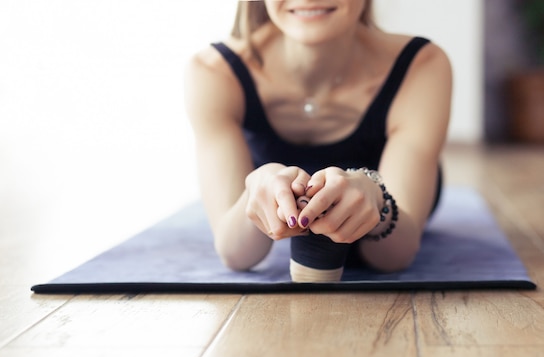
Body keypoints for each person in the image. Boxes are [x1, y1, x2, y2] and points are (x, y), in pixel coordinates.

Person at [184, 0, 452, 282]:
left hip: (388, 206)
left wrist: (376, 198)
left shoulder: (421, 64)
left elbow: (395, 256)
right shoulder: (212, 71)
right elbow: (236, 253)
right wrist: (257, 186)